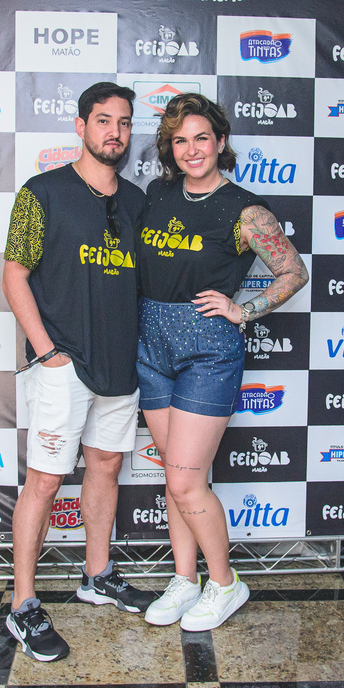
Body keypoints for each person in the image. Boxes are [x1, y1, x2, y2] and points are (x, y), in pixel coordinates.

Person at [136, 93, 308, 631]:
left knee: (186, 482)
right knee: (174, 477)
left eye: (201, 138)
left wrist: (244, 309)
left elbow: (294, 271)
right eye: (180, 140)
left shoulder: (246, 210)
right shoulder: (158, 193)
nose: (191, 150)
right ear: (170, 147)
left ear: (221, 142)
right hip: (150, 345)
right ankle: (185, 580)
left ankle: (225, 583)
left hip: (207, 349)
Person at [1, 82, 152, 662]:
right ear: (81, 126)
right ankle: (23, 605)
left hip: (120, 364)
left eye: (124, 122)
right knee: (44, 481)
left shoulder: (137, 200)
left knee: (106, 467)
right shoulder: (42, 193)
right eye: (103, 120)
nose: (115, 131)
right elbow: (14, 275)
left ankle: (97, 575)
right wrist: (46, 351)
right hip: (63, 364)